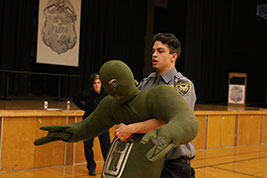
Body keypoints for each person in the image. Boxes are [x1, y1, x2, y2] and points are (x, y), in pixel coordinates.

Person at [34, 60, 198, 178]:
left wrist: (166, 133)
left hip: (169, 162)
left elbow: (187, 121)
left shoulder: (159, 94)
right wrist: (68, 133)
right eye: (108, 85)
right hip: (122, 164)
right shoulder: (111, 105)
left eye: (114, 83)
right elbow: (87, 127)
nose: (113, 88)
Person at [115, 33, 197, 178]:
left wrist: (131, 128)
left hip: (172, 164)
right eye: (153, 51)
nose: (154, 55)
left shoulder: (182, 85)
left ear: (173, 57)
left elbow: (174, 122)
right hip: (145, 160)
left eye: (160, 51)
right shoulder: (146, 83)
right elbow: (135, 112)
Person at [73, 73, 111, 176]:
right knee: (88, 145)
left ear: (101, 84)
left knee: (106, 145)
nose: (97, 85)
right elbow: (75, 99)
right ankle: (91, 167)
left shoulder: (106, 94)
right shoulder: (87, 93)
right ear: (91, 85)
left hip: (103, 123)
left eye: (99, 83)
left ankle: (108, 166)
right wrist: (85, 108)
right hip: (89, 122)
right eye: (94, 83)